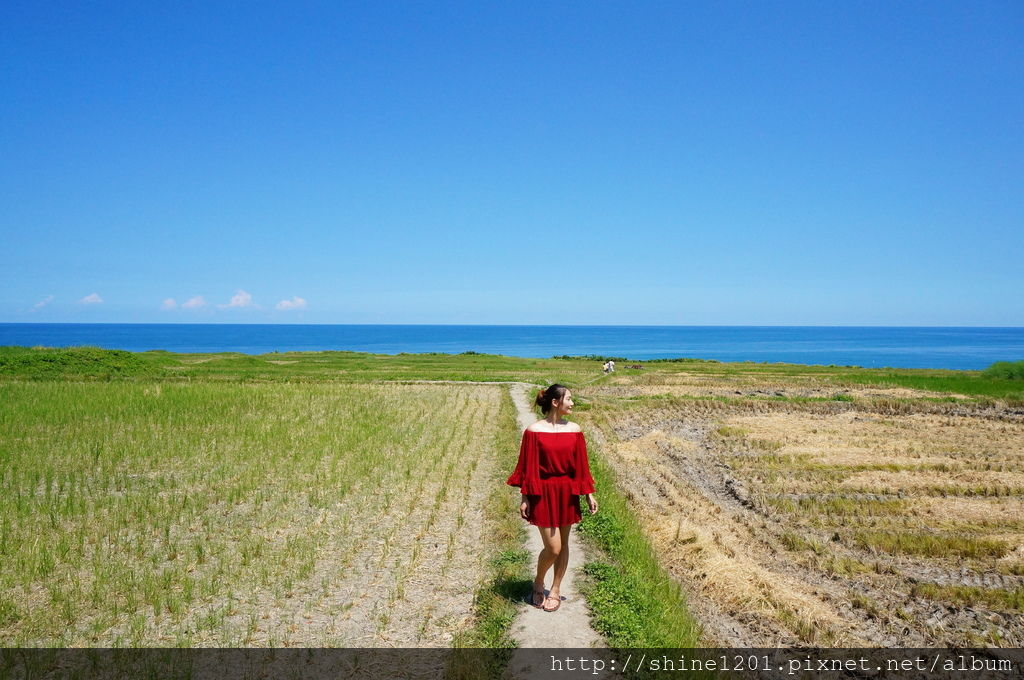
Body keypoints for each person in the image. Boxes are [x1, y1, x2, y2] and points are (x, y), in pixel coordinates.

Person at [507, 384, 598, 612]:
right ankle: (539, 581)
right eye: (569, 399)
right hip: (543, 492)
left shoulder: (575, 430)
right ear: (555, 402)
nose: (573, 403)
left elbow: (581, 466)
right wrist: (525, 497)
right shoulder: (534, 430)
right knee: (553, 548)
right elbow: (527, 468)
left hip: (567, 492)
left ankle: (555, 589)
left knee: (564, 544)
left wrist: (588, 494)